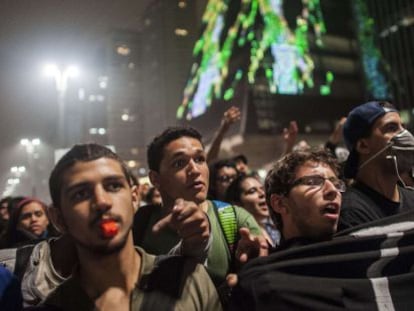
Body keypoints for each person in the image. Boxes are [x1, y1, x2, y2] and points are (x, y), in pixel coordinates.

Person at [34, 143, 221, 310]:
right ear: (58, 218)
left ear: (134, 198)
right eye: (81, 193)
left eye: (114, 186)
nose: (102, 202)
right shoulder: (53, 306)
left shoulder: (189, 279)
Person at [134, 126, 267, 287]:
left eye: (200, 159)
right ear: (155, 179)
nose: (195, 170)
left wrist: (250, 267)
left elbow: (262, 272)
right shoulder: (140, 223)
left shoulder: (235, 218)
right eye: (179, 163)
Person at [339, 101, 414, 230]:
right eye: (392, 128)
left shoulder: (412, 198)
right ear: (363, 145)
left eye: (403, 127)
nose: (406, 135)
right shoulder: (351, 211)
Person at [265, 149, 344, 248]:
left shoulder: (359, 255)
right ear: (280, 203)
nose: (333, 190)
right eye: (313, 182)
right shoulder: (269, 262)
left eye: (336, 184)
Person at [225, 174, 280, 247]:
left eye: (262, 189)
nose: (262, 194)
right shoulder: (241, 237)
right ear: (237, 204)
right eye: (252, 191)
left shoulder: (275, 226)